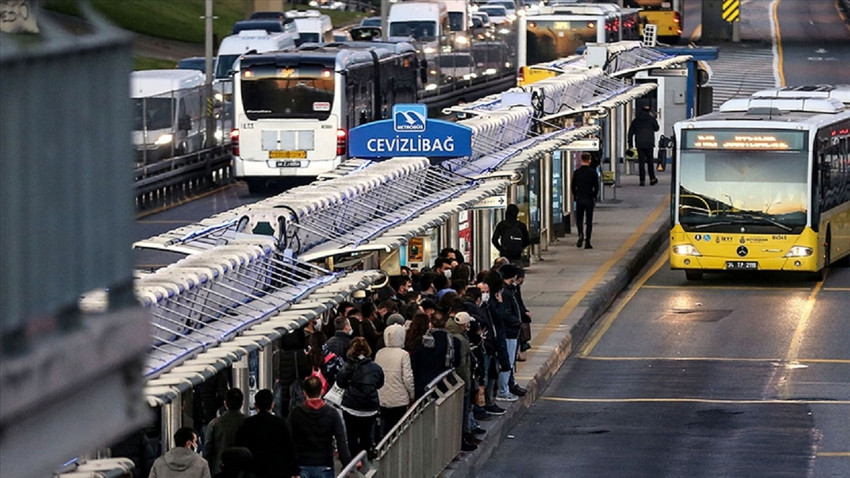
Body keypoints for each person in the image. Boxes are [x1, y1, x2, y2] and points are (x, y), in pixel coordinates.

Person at [287, 376, 352, 478]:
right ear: (322, 391)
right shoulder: (332, 413)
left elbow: (288, 440)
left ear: (304, 392)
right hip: (325, 464)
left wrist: (290, 467)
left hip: (302, 465)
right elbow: (341, 442)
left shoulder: (295, 413)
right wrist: (347, 464)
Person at [335, 337, 385, 460]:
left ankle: (354, 462)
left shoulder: (348, 367)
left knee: (351, 435)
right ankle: (366, 459)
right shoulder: (376, 368)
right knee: (366, 435)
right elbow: (380, 384)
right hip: (370, 407)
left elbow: (340, 382)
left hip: (351, 406)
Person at [234, 389, 300, 478]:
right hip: (277, 471)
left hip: (254, 471)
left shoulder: (247, 424)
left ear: (255, 405)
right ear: (272, 405)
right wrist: (295, 471)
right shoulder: (281, 423)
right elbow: (289, 448)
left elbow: (239, 447)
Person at [373, 323, 415, 437]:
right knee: (398, 427)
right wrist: (412, 394)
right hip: (399, 398)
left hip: (382, 397)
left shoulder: (379, 353)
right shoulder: (403, 354)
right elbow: (407, 377)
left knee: (384, 425)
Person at [204, 388, 246, 475]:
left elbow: (208, 451)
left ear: (225, 404)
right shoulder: (249, 422)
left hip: (220, 470)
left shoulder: (214, 424)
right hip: (243, 471)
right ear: (242, 404)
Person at [571, 152, 599, 249]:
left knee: (579, 219)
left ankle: (580, 234)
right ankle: (588, 241)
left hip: (580, 199)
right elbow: (596, 187)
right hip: (589, 198)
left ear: (581, 160)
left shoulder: (577, 172)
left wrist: (576, 195)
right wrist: (594, 196)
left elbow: (573, 186)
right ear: (589, 160)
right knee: (589, 221)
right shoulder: (593, 172)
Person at [627, 104, 660, 186]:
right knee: (650, 162)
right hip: (649, 144)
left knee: (641, 163)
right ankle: (652, 178)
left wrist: (630, 144)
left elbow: (630, 133)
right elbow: (657, 128)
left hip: (640, 144)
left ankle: (642, 180)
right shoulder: (651, 119)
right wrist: (652, 118)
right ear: (649, 111)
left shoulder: (636, 120)